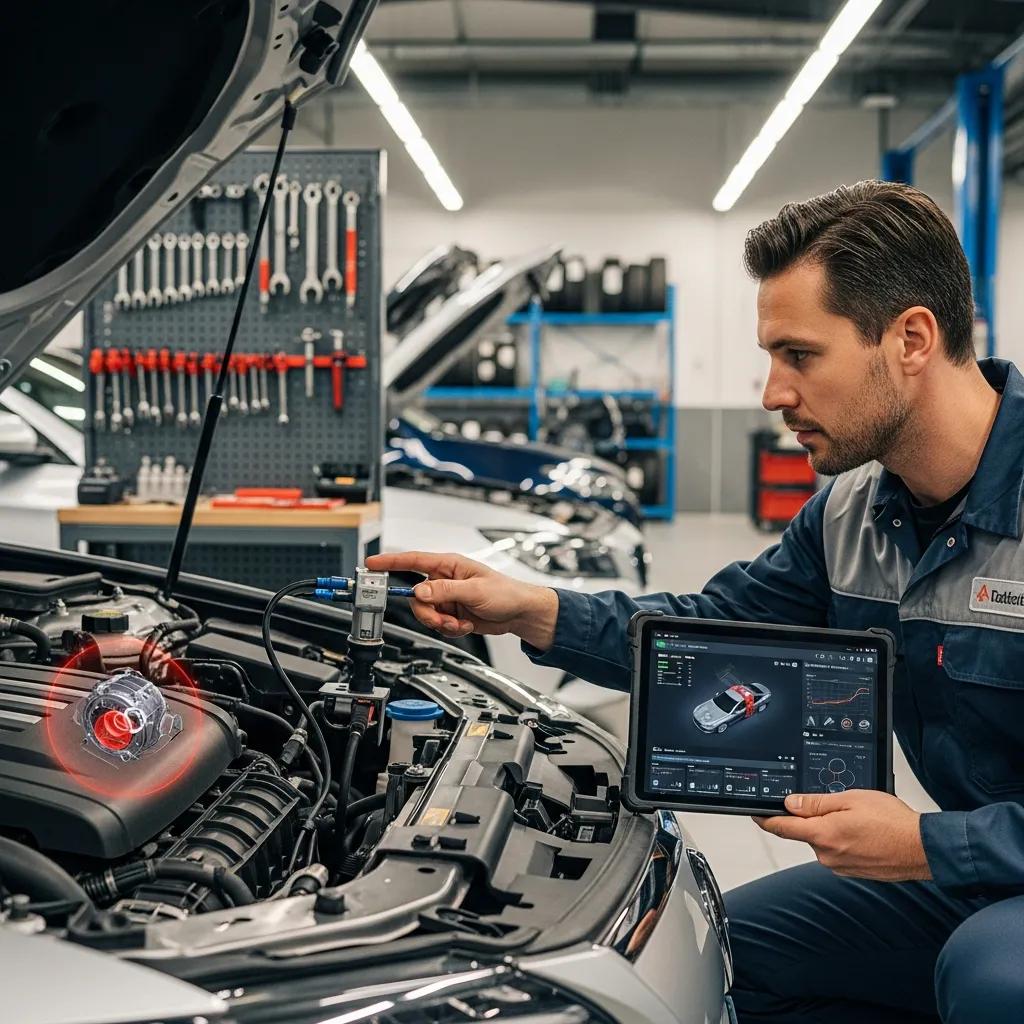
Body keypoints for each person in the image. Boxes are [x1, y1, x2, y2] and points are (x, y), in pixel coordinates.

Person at [367, 180, 1024, 1023]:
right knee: (712, 951)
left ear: (911, 339)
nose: (772, 393)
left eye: (800, 355)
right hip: (974, 875)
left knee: (995, 977)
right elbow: (708, 631)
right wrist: (533, 609)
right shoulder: (854, 510)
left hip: (980, 879)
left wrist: (929, 843)